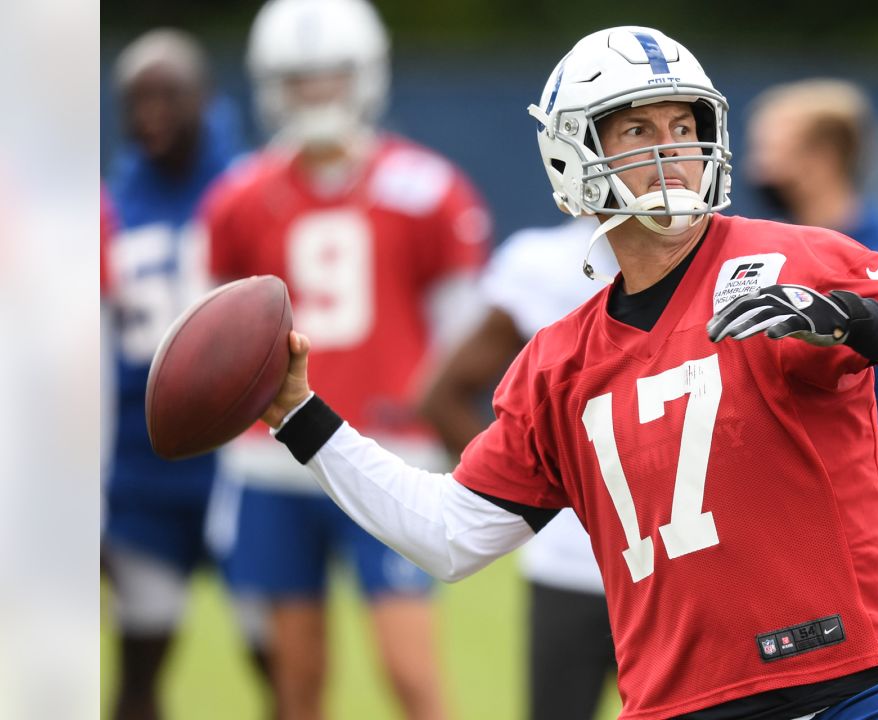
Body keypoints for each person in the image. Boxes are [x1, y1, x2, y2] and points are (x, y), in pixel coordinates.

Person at [257, 26, 878, 720]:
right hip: (682, 705)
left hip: (854, 684)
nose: (672, 149)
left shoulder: (795, 260)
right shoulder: (557, 363)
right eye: (638, 130)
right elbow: (449, 535)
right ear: (574, 153)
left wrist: (854, 318)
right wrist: (301, 418)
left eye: (684, 127)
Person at [198, 1, 490, 718]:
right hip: (272, 458)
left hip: (385, 446)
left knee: (410, 671)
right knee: (295, 680)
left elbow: (465, 333)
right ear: (273, 85)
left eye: (329, 78)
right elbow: (215, 340)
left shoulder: (425, 188)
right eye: (300, 80)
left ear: (362, 76)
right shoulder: (238, 197)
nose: (316, 95)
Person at [745, 79, 878, 677]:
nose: (755, 164)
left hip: (847, 549)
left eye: (772, 148)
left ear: (821, 158)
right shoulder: (767, 256)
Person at [100, 29, 271, 720]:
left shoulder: (251, 193)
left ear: (206, 97)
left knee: (279, 656)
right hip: (143, 469)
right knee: (139, 660)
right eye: (137, 98)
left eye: (169, 94)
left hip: (242, 464)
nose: (152, 112)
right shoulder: (108, 207)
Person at [421, 216, 619, 720]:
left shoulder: (717, 260)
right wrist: (521, 492)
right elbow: (441, 395)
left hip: (680, 562)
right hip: (573, 562)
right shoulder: (541, 262)